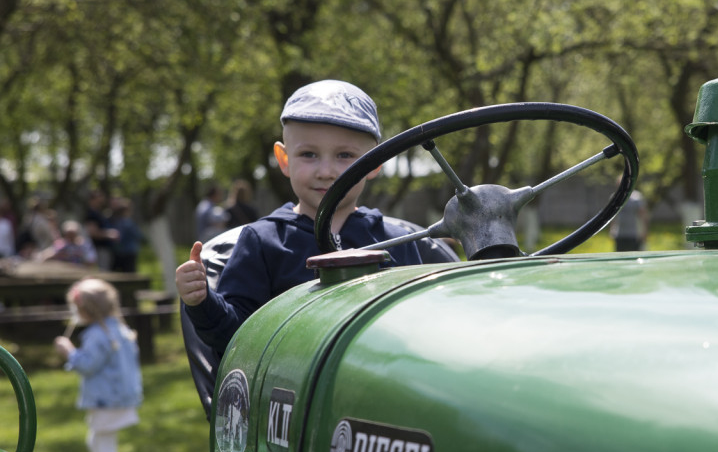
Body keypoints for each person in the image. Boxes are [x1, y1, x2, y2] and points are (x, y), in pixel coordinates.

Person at [176, 79, 454, 355]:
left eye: (345, 155)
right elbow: (235, 337)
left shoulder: (396, 241)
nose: (327, 171)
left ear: (375, 162)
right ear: (284, 160)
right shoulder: (263, 242)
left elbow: (421, 330)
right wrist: (202, 302)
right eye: (309, 154)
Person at [53, 277, 143, 452]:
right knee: (96, 442)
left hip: (107, 401)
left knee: (104, 448)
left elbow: (87, 365)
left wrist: (68, 351)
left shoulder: (97, 335)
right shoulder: (118, 328)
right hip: (119, 398)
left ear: (85, 310)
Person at [83, 190, 119, 270]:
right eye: (99, 198)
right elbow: (92, 232)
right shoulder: (91, 213)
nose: (102, 200)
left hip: (104, 249)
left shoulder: (98, 212)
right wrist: (109, 234)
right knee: (104, 272)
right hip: (99, 249)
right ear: (92, 199)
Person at [609, 185, 649, 252]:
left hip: (633, 234)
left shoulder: (637, 197)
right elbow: (612, 216)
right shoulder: (614, 197)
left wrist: (644, 231)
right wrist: (612, 229)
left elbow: (643, 215)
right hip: (620, 234)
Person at [110, 197, 144, 273]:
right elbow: (138, 235)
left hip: (120, 251)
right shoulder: (127, 223)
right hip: (128, 252)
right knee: (129, 274)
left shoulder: (116, 222)